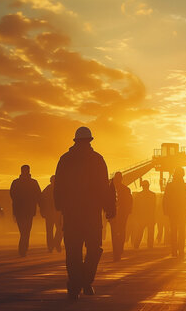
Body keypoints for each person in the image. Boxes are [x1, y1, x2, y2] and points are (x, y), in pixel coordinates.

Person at [54, 126, 115, 299]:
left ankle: (75, 285)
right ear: (89, 141)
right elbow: (105, 187)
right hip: (91, 214)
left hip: (72, 214)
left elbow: (58, 186)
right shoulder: (97, 160)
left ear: (76, 140)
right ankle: (85, 281)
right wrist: (109, 208)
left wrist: (59, 206)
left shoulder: (65, 160)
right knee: (94, 250)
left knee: (73, 252)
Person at [10, 165, 41, 257]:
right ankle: (23, 247)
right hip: (27, 210)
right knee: (26, 230)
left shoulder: (16, 182)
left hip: (21, 210)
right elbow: (38, 195)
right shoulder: (33, 182)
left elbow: (12, 195)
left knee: (24, 230)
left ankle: (23, 247)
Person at [162, 168, 186, 260]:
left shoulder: (170, 186)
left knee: (173, 230)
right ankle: (181, 250)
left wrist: (165, 210)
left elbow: (165, 199)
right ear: (183, 175)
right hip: (182, 212)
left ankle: (174, 250)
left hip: (172, 212)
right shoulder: (185, 186)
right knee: (181, 231)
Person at [110, 172, 132, 261]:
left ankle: (116, 252)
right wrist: (128, 212)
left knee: (114, 233)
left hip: (114, 215)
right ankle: (119, 250)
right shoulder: (126, 189)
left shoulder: (110, 189)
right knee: (121, 231)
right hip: (122, 215)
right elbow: (130, 202)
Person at [40, 176, 63, 253]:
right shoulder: (60, 189)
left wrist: (42, 210)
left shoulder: (47, 189)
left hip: (52, 213)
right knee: (60, 229)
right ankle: (56, 243)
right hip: (56, 213)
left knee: (51, 230)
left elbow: (41, 200)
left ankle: (52, 246)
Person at [132, 180, 156, 249]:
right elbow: (153, 207)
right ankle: (150, 246)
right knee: (150, 233)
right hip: (149, 216)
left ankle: (136, 245)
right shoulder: (152, 195)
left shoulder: (139, 195)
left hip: (142, 216)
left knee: (140, 232)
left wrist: (136, 216)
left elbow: (136, 207)